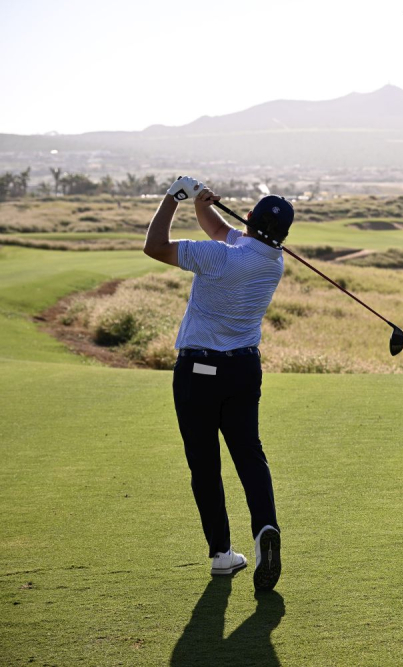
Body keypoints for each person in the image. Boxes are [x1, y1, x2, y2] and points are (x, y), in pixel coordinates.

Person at [143, 176, 294, 591]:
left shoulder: (218, 258)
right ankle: (265, 527)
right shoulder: (272, 261)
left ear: (249, 218)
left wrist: (173, 200)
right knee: (250, 455)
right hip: (244, 370)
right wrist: (202, 205)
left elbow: (154, 247)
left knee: (205, 464)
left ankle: (222, 555)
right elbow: (222, 232)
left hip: (198, 373)